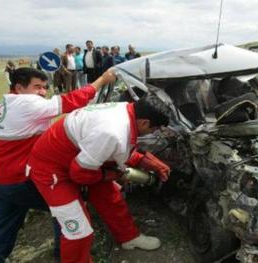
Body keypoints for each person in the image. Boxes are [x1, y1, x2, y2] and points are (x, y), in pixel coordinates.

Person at [0, 67, 116, 262]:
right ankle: (64, 255)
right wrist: (102, 80)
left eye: (45, 87)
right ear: (19, 88)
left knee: (3, 224)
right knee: (64, 207)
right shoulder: (27, 103)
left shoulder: (7, 101)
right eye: (37, 87)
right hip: (18, 178)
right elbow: (71, 101)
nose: (42, 92)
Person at [27, 94, 171, 262]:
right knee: (78, 231)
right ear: (144, 122)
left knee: (111, 197)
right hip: (50, 169)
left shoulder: (127, 109)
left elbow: (118, 149)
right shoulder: (112, 132)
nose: (154, 132)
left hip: (78, 157)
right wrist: (110, 175)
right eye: (154, 129)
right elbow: (80, 174)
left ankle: (129, 238)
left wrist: (151, 163)